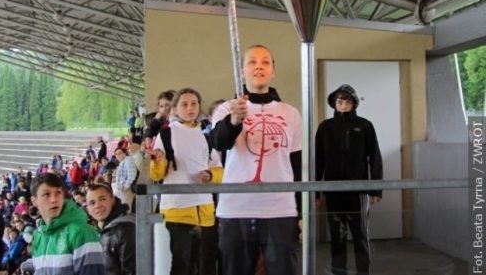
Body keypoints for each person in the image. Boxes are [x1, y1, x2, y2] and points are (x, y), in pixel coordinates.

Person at [211, 44, 302, 275]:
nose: (259, 66)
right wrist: (234, 121)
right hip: (235, 210)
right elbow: (220, 144)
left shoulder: (290, 113)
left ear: (273, 71)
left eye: (265, 62)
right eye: (252, 62)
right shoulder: (226, 109)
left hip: (280, 210)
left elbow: (296, 165)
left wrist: (300, 212)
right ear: (242, 70)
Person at [151, 87, 223, 275]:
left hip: (206, 210)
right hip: (177, 211)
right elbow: (157, 175)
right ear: (175, 109)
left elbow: (219, 169)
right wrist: (158, 160)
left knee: (207, 264)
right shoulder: (166, 134)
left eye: (194, 103)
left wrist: (210, 175)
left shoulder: (207, 135)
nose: (190, 108)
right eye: (184, 104)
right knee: (181, 265)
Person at [315, 84, 383, 275]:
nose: (343, 104)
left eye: (346, 100)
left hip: (358, 191)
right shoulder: (325, 127)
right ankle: (339, 272)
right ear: (334, 103)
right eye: (339, 101)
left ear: (353, 103)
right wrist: (316, 192)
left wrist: (376, 189)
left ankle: (363, 272)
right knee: (337, 237)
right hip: (334, 191)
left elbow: (375, 158)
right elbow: (318, 160)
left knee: (360, 235)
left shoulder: (365, 126)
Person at [30, 173, 104, 275]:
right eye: (46, 194)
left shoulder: (82, 233)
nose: (54, 200)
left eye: (58, 193)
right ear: (34, 201)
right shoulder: (38, 236)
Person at [86, 184, 136, 275]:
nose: (97, 205)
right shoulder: (101, 228)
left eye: (102, 199)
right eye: (92, 203)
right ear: (88, 209)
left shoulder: (125, 230)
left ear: (112, 201)